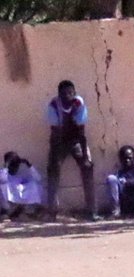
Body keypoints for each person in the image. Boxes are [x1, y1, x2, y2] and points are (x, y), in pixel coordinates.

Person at [45, 80, 97, 220]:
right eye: (64, 93)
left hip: (76, 140)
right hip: (59, 141)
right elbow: (56, 132)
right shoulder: (53, 106)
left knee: (87, 168)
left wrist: (85, 155)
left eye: (70, 93)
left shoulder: (79, 103)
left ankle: (92, 210)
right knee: (53, 170)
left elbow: (81, 130)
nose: (68, 96)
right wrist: (56, 157)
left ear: (74, 93)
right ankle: (52, 211)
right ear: (59, 95)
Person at [105, 144, 134, 218]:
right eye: (124, 158)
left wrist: (127, 182)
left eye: (129, 158)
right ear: (120, 159)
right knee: (111, 178)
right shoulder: (119, 174)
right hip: (124, 203)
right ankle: (115, 212)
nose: (127, 160)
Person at [1, 151, 44, 220]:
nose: (15, 168)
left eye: (16, 165)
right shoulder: (4, 173)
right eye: (12, 165)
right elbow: (2, 179)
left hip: (21, 203)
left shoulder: (22, 173)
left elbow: (38, 179)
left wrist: (29, 165)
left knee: (34, 184)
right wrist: (6, 167)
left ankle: (26, 212)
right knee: (3, 186)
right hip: (9, 205)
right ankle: (7, 212)